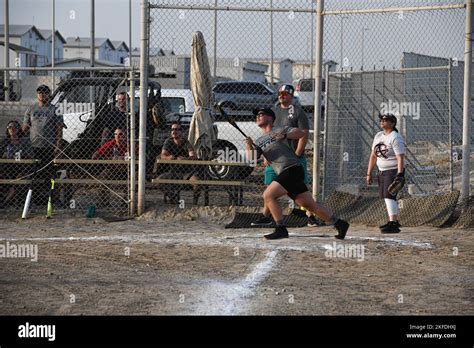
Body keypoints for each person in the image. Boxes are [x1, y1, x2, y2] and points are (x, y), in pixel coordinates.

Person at [245, 108, 349, 240]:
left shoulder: (280, 129)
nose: (258, 117)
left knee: (268, 195)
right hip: (285, 173)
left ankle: (280, 228)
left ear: (270, 118)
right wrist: (249, 146)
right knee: (309, 206)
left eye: (261, 114)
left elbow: (300, 133)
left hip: (292, 168)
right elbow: (252, 160)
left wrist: (284, 136)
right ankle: (340, 223)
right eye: (257, 116)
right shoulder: (259, 141)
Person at [252, 84, 319, 227]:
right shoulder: (273, 112)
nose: (281, 96)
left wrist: (297, 153)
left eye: (285, 94)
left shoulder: (297, 112)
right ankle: (266, 216)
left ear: (291, 95)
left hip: (293, 158)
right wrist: (265, 155)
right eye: (280, 93)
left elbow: (303, 133)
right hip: (275, 158)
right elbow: (267, 134)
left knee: (300, 189)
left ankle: (310, 215)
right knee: (270, 188)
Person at [22, 84, 65, 203]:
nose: (42, 94)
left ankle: (51, 197)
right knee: (35, 173)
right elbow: (25, 127)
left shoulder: (54, 109)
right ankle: (35, 197)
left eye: (45, 92)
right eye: (40, 92)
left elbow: (59, 129)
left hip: (48, 146)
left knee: (49, 173)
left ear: (49, 94)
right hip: (33, 146)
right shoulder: (31, 109)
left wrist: (57, 145)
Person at [366, 113, 406, 233]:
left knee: (389, 196)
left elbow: (400, 157)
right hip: (382, 171)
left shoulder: (395, 137)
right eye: (381, 120)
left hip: (392, 170)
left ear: (393, 123)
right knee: (386, 197)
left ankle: (393, 223)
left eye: (386, 120)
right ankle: (392, 221)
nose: (382, 121)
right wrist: (369, 173)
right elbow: (373, 156)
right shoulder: (378, 136)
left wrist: (400, 174)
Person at [156, 122, 201, 204]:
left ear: (181, 132)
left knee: (197, 182)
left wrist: (185, 159)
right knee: (158, 181)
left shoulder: (185, 142)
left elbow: (193, 156)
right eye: (172, 129)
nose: (174, 131)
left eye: (177, 129)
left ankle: (195, 203)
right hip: (173, 172)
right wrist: (168, 157)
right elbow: (162, 155)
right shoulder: (168, 141)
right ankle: (173, 197)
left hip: (187, 173)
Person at [0, 120, 33, 207]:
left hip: (22, 167)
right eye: (10, 127)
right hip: (8, 167)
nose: (12, 129)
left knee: (20, 178)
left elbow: (30, 155)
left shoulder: (25, 141)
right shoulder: (4, 142)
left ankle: (6, 202)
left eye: (15, 127)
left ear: (19, 129)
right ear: (7, 130)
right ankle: (8, 200)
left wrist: (21, 156)